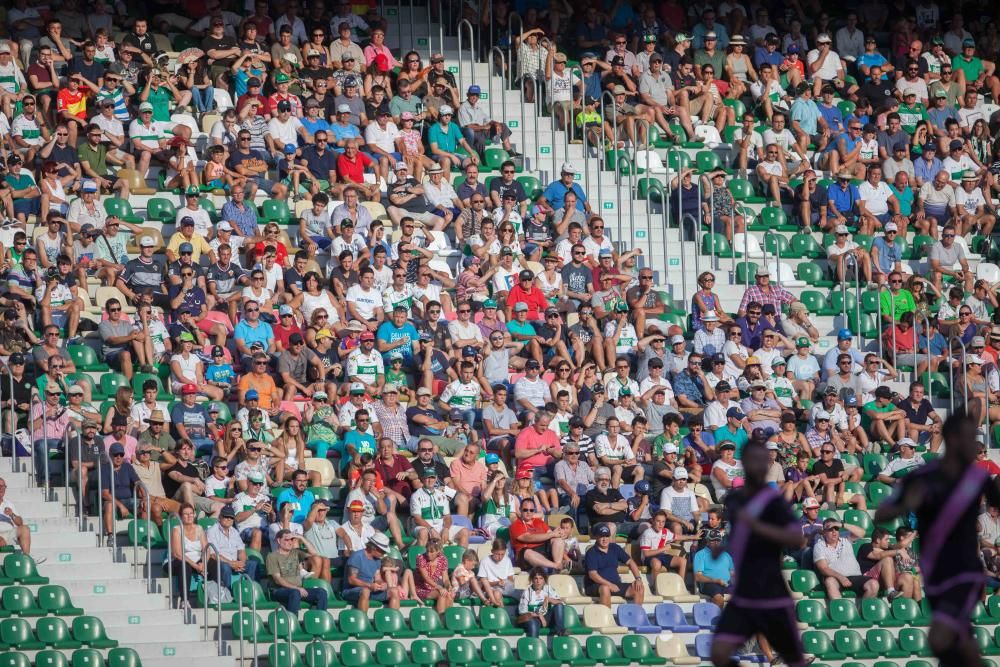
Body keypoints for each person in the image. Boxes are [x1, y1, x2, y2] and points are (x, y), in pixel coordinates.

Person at [875, 411, 1000, 666]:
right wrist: (906, 501)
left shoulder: (976, 476)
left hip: (965, 564)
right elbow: (883, 513)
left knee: (942, 634)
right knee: (955, 635)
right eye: (966, 438)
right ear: (952, 439)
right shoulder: (922, 475)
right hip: (934, 567)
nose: (971, 445)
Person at [708, 437, 808, 667]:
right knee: (719, 653)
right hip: (745, 591)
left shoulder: (772, 500)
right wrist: (722, 547)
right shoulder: (734, 499)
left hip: (771, 589)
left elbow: (796, 538)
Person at [583, 522, 645, 607]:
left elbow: (630, 562)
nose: (604, 539)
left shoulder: (615, 547)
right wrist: (609, 584)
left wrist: (638, 579)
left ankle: (636, 616)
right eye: (601, 536)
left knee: (639, 588)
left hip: (615, 584)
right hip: (595, 586)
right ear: (596, 537)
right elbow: (593, 575)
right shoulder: (591, 553)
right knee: (605, 588)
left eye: (606, 536)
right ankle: (607, 618)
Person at [266, 528, 327, 613]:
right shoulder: (272, 556)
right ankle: (293, 622)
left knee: (321, 592)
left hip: (297, 590)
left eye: (291, 540)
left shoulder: (295, 552)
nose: (290, 542)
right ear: (279, 541)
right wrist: (297, 588)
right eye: (286, 540)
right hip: (279, 590)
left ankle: (320, 619)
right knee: (295, 593)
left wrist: (300, 538)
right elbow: (278, 580)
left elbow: (314, 554)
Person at [341, 533, 395, 612]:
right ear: (374, 548)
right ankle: (363, 621)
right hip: (352, 590)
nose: (384, 553)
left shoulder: (377, 560)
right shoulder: (357, 556)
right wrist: (369, 585)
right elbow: (351, 580)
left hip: (370, 590)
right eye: (382, 551)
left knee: (394, 591)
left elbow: (377, 578)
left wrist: (381, 584)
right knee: (365, 591)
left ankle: (393, 620)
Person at [516, 567, 566, 637]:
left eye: (541, 578)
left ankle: (561, 632)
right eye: (536, 578)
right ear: (532, 580)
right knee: (533, 624)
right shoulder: (527, 592)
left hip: (547, 617)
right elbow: (522, 611)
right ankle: (534, 644)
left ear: (544, 580)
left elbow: (561, 603)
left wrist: (549, 599)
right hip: (534, 618)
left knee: (559, 606)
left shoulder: (548, 588)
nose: (538, 581)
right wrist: (540, 615)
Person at [0, 478, 38, 560]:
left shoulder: (9, 504)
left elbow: (20, 523)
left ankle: (27, 559)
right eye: (0, 486)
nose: (2, 489)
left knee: (25, 529)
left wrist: (12, 515)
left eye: (4, 486)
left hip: (9, 534)